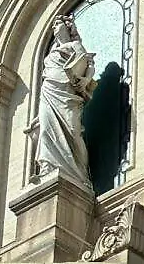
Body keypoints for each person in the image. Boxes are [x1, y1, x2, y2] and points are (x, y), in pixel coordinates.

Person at [34, 14, 97, 187]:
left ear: (67, 28)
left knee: (73, 130)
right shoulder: (52, 52)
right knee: (46, 130)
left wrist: (85, 80)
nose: (55, 29)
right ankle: (48, 167)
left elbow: (88, 64)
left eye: (58, 25)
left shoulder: (75, 45)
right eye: (54, 26)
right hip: (49, 91)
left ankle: (80, 173)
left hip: (67, 93)